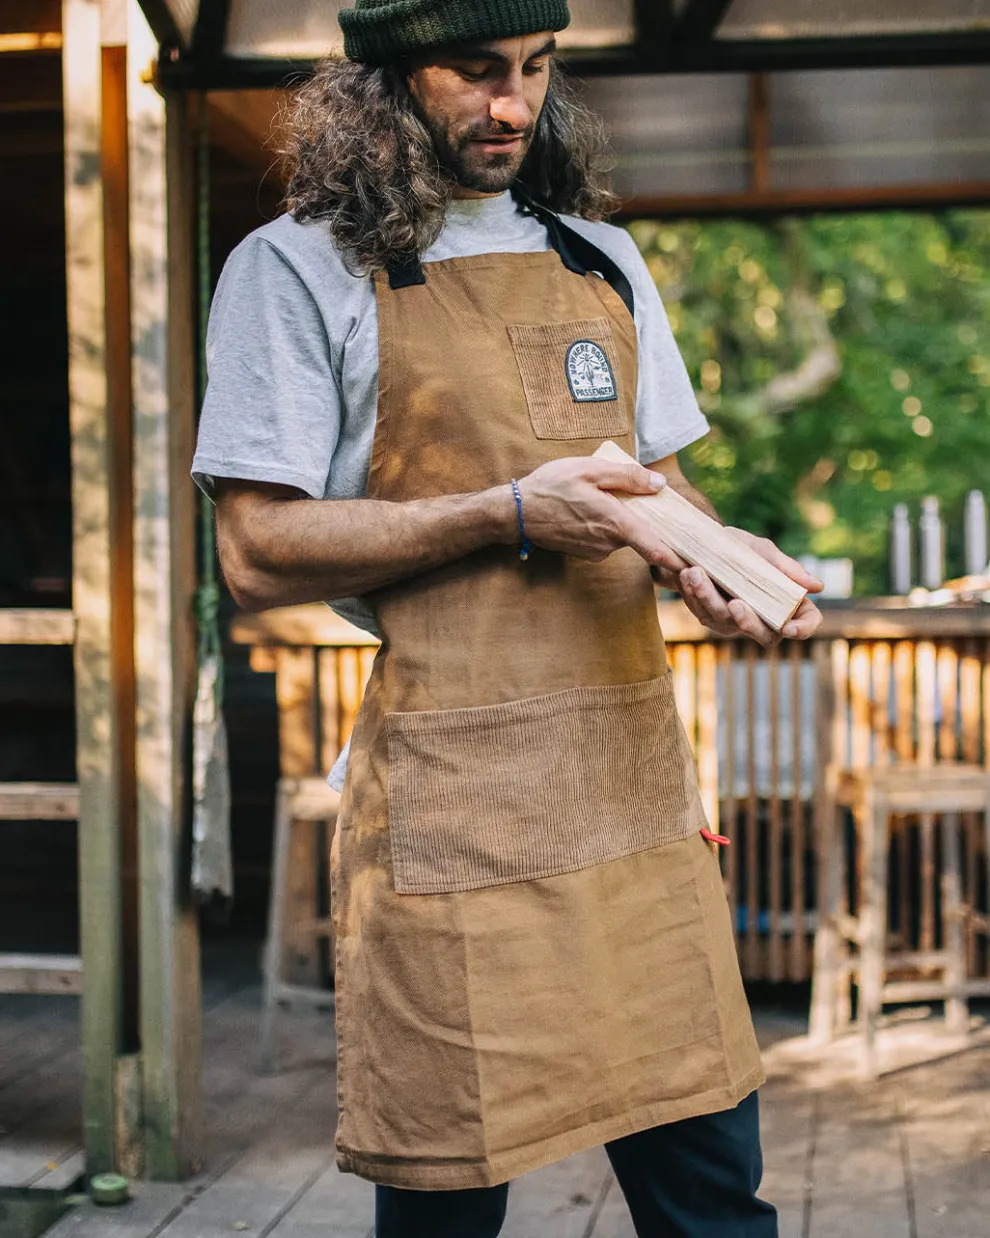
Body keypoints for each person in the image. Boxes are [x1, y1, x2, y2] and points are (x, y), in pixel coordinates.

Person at [193, 3, 823, 1234]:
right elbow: (255, 550)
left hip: (631, 794)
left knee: (712, 1195)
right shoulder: (296, 267)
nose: (512, 105)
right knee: (449, 1197)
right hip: (458, 811)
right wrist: (508, 513)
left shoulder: (600, 257)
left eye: (535, 70)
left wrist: (715, 557)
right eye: (476, 73)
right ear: (386, 84)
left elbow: (655, 485)